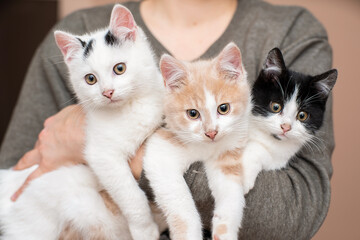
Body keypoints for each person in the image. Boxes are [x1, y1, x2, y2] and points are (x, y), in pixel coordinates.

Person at [0, 0, 334, 239]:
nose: (107, 90)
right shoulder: (80, 31)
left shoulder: (292, 28)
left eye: (118, 69)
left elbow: (295, 215)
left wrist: (93, 143)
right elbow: (15, 184)